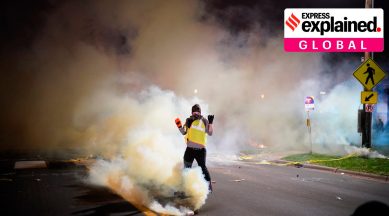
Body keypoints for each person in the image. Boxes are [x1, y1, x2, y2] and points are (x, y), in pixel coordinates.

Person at [175, 104, 214, 192]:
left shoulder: (204, 121)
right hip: (189, 150)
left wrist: (210, 123)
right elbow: (183, 132)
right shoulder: (188, 120)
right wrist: (179, 126)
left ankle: (209, 187)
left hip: (201, 151)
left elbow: (210, 133)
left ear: (200, 112)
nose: (196, 114)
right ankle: (184, 190)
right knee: (186, 169)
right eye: (194, 112)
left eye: (197, 112)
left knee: (203, 168)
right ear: (192, 113)